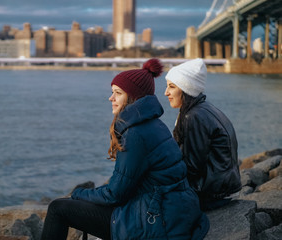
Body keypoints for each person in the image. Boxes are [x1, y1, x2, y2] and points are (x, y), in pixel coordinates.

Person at [41, 59, 209, 240]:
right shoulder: (153, 124)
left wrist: (79, 194)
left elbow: (115, 194)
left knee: (58, 209)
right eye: (112, 92)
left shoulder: (136, 134)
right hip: (172, 209)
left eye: (117, 93)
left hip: (154, 219)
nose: (110, 98)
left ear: (133, 98)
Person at [164, 58, 242, 211]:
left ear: (186, 89)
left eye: (172, 87)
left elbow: (193, 167)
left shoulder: (193, 116)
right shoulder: (204, 108)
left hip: (215, 193)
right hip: (226, 186)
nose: (166, 92)